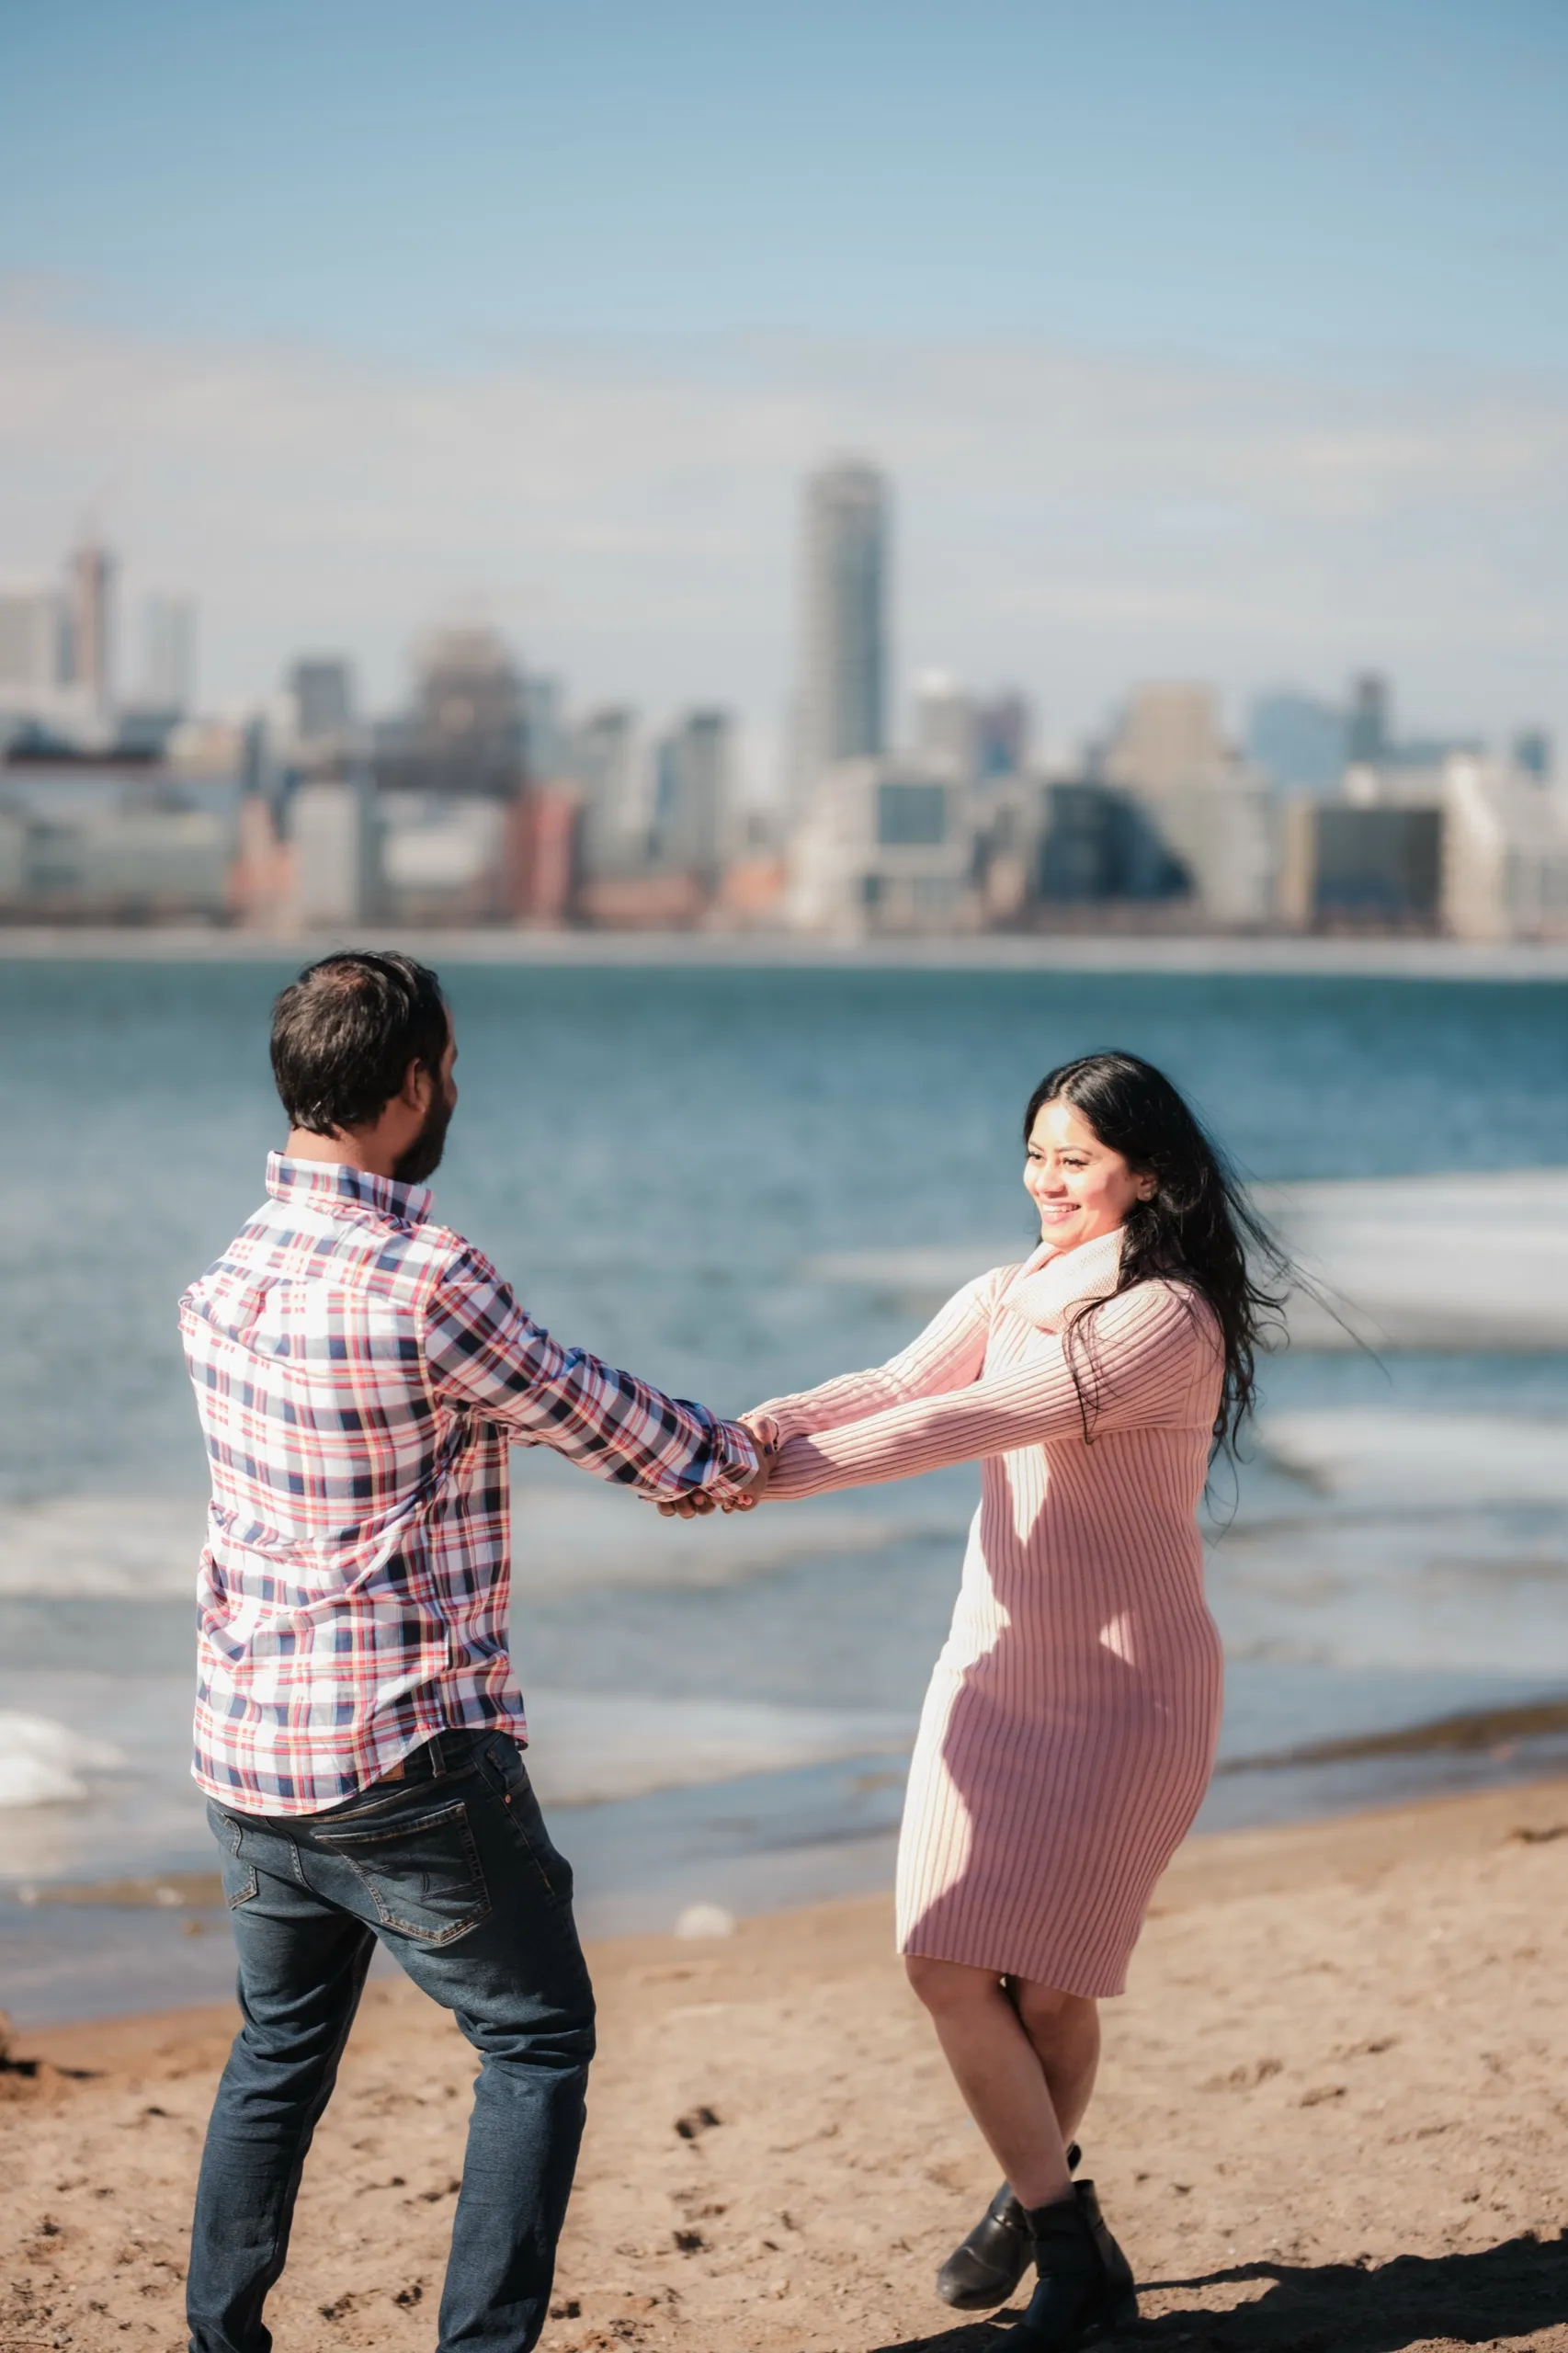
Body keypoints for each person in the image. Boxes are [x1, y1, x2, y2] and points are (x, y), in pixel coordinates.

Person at [180, 949, 767, 2353]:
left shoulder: (227, 1275)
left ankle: (219, 2341)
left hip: (251, 1752)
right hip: (402, 1758)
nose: (458, 1084)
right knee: (537, 2042)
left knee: (275, 2058)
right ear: (409, 1086)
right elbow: (589, 1412)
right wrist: (736, 1456)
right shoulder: (422, 1279)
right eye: (449, 1062)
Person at [674, 1051, 1285, 2352]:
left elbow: (969, 1424)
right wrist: (736, 1435)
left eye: (1076, 1159)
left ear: (1150, 1174)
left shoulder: (1164, 1317)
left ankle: (1043, 2218)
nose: (1045, 1180)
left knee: (1054, 1993)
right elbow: (895, 1389)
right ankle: (1064, 2229)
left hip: (1130, 1695)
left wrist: (760, 1484)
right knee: (944, 1958)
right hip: (992, 1673)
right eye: (1035, 1154)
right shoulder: (1003, 1290)